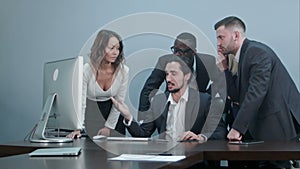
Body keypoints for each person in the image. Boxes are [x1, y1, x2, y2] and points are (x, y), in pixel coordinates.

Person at [215, 16, 300, 168]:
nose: (218, 43)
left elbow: (256, 93)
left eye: (221, 37)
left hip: (275, 129)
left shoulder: (256, 52)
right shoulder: (241, 57)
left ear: (236, 35)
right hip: (259, 131)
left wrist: (237, 128)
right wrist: (225, 70)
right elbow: (237, 97)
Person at [112, 56, 227, 141]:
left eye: (173, 74)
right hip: (165, 158)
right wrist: (128, 117)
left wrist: (200, 137)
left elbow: (220, 132)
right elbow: (143, 134)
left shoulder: (204, 101)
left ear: (187, 76)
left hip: (192, 158)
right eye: (166, 74)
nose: (168, 79)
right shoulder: (158, 102)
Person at [138, 32, 224, 114]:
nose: (177, 55)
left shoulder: (207, 62)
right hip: (173, 105)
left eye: (181, 51)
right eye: (175, 50)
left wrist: (206, 95)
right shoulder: (165, 62)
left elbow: (219, 81)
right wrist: (143, 119)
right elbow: (148, 89)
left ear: (193, 52)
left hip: (197, 107)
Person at [67, 29, 129, 138]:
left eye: (118, 49)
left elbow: (119, 102)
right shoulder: (86, 70)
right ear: (100, 49)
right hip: (91, 116)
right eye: (111, 48)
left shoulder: (123, 71)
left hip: (114, 119)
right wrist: (78, 128)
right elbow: (81, 102)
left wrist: (109, 127)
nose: (115, 52)